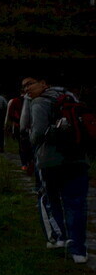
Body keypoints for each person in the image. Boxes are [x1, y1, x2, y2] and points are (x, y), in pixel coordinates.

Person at [25, 75, 89, 264]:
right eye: (24, 86)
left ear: (44, 83)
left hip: (50, 161)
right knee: (76, 204)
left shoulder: (39, 102)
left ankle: (58, 238)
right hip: (77, 159)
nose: (27, 89)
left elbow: (36, 134)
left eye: (30, 84)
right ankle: (79, 251)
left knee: (49, 199)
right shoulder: (71, 97)